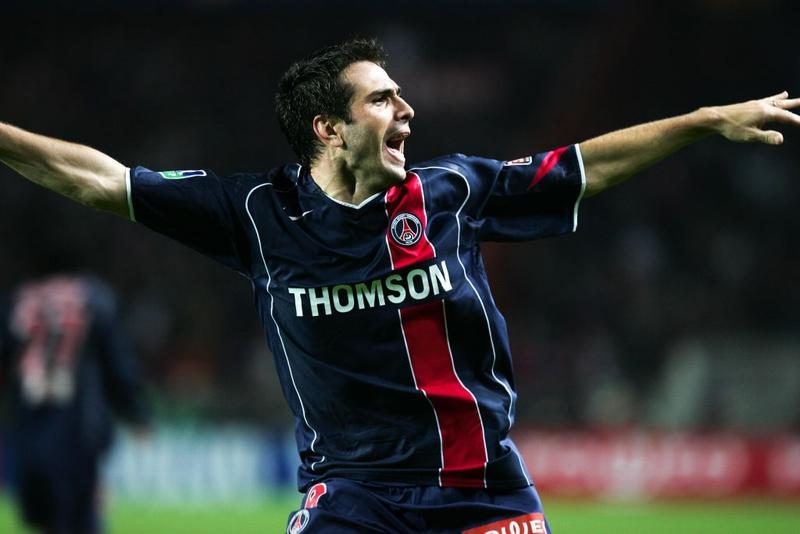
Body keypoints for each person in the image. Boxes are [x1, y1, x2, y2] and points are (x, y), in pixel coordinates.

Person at [1, 38, 798, 533]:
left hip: (483, 489)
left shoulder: (453, 191)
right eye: (383, 98)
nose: (408, 110)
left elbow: (583, 168)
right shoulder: (255, 214)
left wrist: (701, 121)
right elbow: (95, 179)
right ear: (330, 128)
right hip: (353, 497)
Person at [0, 275, 151, 534]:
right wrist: (137, 413)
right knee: (70, 514)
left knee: (52, 514)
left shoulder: (18, 301)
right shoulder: (94, 300)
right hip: (68, 428)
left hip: (37, 428)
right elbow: (117, 365)